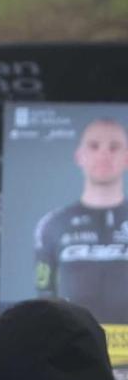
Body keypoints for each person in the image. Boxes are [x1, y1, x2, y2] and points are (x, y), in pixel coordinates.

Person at [34, 117, 128, 328]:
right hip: (77, 349)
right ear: (79, 156)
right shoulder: (52, 224)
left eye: (114, 147)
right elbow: (44, 293)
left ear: (126, 157)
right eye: (94, 146)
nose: (104, 154)